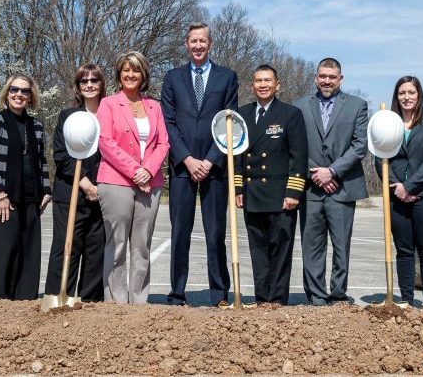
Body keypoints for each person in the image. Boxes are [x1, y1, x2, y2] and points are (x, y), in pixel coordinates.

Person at [161, 22, 239, 306]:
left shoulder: (227, 77)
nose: (197, 46)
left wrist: (209, 160)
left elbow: (229, 123)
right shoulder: (172, 78)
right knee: (180, 232)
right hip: (183, 167)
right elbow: (168, 123)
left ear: (210, 44)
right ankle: (177, 292)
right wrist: (188, 158)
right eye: (193, 41)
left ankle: (218, 293)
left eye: (202, 41)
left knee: (215, 235)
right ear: (186, 43)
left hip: (214, 167)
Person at [293, 57, 369, 305]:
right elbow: (295, 147)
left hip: (343, 188)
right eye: (322, 76)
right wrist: (317, 173)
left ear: (340, 79)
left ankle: (337, 294)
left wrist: (333, 171)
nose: (326, 81)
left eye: (332, 77)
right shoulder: (300, 106)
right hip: (311, 188)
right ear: (315, 78)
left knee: (340, 246)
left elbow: (359, 147)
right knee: (311, 246)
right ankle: (315, 295)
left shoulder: (357, 106)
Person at [97, 51, 170, 304]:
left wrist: (148, 170)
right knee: (116, 245)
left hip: (150, 184)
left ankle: (139, 301)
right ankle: (116, 302)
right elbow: (106, 143)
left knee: (142, 246)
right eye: (126, 70)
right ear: (119, 74)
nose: (131, 75)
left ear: (143, 75)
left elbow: (163, 144)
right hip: (115, 181)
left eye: (136, 70)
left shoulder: (154, 107)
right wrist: (134, 171)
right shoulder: (108, 104)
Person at [234, 65, 308, 305]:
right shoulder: (241, 115)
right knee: (258, 251)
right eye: (258, 81)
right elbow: (235, 155)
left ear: (278, 85)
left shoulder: (290, 114)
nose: (262, 85)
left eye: (267, 81)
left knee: (280, 250)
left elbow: (299, 156)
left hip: (280, 195)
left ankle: (277, 299)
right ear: (251, 85)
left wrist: (294, 191)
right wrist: (238, 188)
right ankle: (261, 298)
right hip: (252, 194)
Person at [375, 76, 423, 308]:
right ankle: (406, 300)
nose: (406, 97)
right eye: (402, 93)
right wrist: (397, 188)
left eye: (411, 93)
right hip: (397, 197)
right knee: (404, 250)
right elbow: (379, 158)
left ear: (419, 95)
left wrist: (410, 186)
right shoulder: (388, 123)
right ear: (396, 96)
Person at [0, 75, 52, 300]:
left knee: (29, 251)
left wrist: (46, 190)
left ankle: (25, 298)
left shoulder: (36, 125)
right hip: (2, 197)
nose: (19, 94)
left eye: (25, 91)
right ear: (7, 94)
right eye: (14, 90)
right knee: (4, 251)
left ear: (31, 97)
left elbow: (42, 161)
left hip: (31, 196)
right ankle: (2, 300)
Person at [44, 64, 106, 302]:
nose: (89, 85)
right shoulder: (68, 116)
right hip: (70, 191)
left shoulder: (109, 115)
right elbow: (61, 155)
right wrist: (85, 184)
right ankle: (60, 298)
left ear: (101, 84)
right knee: (66, 248)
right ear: (78, 87)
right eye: (84, 81)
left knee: (96, 250)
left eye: (94, 80)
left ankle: (89, 302)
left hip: (102, 193)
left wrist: (101, 186)